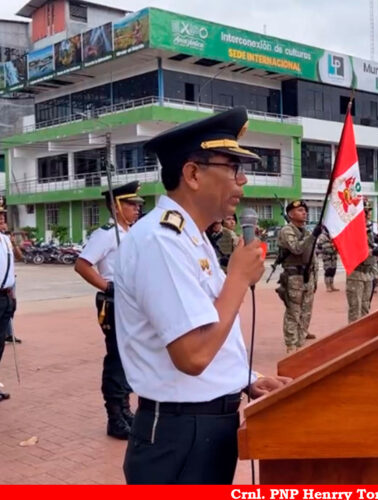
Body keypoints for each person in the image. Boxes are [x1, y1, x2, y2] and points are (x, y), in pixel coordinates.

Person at [115, 107, 289, 484]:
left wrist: (246, 378)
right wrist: (238, 279)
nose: (242, 181)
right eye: (232, 168)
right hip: (180, 434)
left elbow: (210, 325)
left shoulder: (192, 238)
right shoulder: (161, 240)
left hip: (205, 425)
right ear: (193, 173)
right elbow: (193, 355)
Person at [74, 181, 144, 439]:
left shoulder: (130, 233)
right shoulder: (106, 233)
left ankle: (125, 409)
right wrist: (108, 286)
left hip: (132, 303)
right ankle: (115, 417)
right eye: (130, 204)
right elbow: (82, 264)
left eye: (137, 204)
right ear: (116, 207)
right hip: (114, 303)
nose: (136, 209)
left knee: (128, 358)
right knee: (116, 358)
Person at [277, 200, 320, 353]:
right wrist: (313, 236)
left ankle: (300, 341)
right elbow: (296, 249)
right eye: (300, 210)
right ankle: (291, 345)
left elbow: (313, 257)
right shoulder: (287, 230)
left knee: (306, 311)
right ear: (290, 214)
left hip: (308, 276)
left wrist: (315, 278)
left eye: (305, 210)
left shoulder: (306, 231)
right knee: (293, 312)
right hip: (294, 276)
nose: (304, 213)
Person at [0, 196, 16, 402]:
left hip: (6, 297)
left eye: (3, 214)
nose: (2, 217)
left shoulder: (5, 238)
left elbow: (11, 267)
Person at [346, 201, 378, 323]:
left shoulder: (368, 229)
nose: (368, 214)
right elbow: (352, 250)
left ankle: (364, 334)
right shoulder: (351, 230)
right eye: (365, 211)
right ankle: (354, 337)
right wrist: (371, 252)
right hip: (356, 273)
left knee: (365, 306)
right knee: (355, 307)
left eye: (369, 211)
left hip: (368, 272)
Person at [316, 227, 340, 292]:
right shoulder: (322, 236)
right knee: (328, 271)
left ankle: (332, 285)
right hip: (326, 256)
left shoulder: (333, 235)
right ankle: (328, 286)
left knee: (333, 270)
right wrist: (329, 246)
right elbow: (318, 248)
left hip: (333, 256)